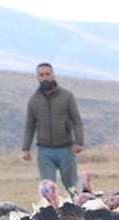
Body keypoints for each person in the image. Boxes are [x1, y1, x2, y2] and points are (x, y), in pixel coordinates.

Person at [21, 62, 84, 192]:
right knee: (47, 188)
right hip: (44, 151)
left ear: (53, 75)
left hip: (66, 149)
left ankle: (77, 211)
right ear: (38, 77)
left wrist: (79, 142)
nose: (45, 78)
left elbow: (76, 120)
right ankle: (51, 212)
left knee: (72, 187)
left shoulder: (66, 96)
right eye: (42, 75)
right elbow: (30, 125)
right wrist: (26, 148)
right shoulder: (34, 100)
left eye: (47, 74)